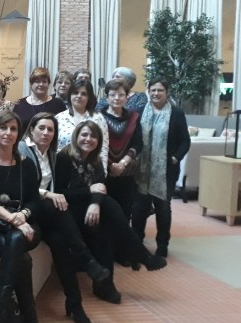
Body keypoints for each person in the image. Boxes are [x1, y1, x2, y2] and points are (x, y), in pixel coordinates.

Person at [54, 121, 167, 311]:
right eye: (84, 135)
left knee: (104, 225)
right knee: (108, 205)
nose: (88, 139)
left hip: (87, 208)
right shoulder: (64, 158)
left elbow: (101, 188)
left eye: (93, 136)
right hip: (66, 211)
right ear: (76, 136)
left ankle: (105, 285)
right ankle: (139, 254)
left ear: (98, 141)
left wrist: (95, 204)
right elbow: (60, 193)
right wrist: (91, 193)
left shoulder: (96, 160)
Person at [17, 112, 110, 323]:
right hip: (28, 209)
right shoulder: (23, 150)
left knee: (60, 244)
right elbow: (25, 186)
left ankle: (75, 304)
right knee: (54, 202)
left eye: (50, 130)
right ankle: (87, 259)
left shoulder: (51, 153)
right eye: (41, 128)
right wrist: (49, 195)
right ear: (32, 129)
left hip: (47, 214)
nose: (46, 133)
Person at [0, 112, 46, 323]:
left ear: (18, 134)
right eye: (3, 128)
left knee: (17, 239)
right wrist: (12, 219)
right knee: (23, 260)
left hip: (26, 224)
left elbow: (35, 201)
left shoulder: (26, 165)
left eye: (13, 129)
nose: (8, 133)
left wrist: (24, 216)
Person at [132, 78, 190, 258]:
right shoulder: (138, 112)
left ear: (167, 93)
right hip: (141, 170)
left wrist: (175, 158)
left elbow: (184, 141)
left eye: (160, 90)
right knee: (139, 209)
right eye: (153, 90)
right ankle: (137, 243)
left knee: (163, 208)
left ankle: (162, 245)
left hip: (166, 171)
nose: (156, 93)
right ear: (148, 91)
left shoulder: (177, 114)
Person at [101, 79, 143, 218]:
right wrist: (111, 165)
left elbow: (138, 143)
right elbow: (96, 145)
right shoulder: (98, 116)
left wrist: (122, 164)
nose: (117, 98)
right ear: (107, 97)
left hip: (127, 172)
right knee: (105, 212)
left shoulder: (134, 117)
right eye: (113, 95)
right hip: (104, 172)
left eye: (121, 94)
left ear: (126, 97)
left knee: (125, 212)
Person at [55, 79, 110, 173]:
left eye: (83, 94)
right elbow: (54, 147)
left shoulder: (98, 118)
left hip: (90, 171)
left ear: (89, 97)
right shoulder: (59, 118)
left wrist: (103, 173)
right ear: (70, 95)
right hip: (62, 169)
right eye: (75, 93)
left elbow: (103, 147)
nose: (79, 96)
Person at [12, 67, 66, 132]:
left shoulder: (58, 104)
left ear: (48, 84)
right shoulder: (19, 104)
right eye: (37, 81)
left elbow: (62, 129)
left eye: (44, 81)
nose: (41, 84)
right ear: (31, 84)